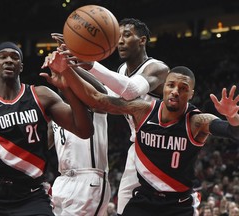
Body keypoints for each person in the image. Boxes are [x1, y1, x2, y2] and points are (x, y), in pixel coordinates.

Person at [44, 56, 239, 216]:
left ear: (191, 94)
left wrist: (232, 117)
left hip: (178, 206)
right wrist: (67, 71)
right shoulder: (142, 110)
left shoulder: (197, 121)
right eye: (171, 85)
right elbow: (97, 100)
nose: (175, 91)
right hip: (144, 201)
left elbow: (232, 132)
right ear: (163, 88)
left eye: (183, 88)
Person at [0, 41, 94, 216]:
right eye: (3, 57)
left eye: (14, 57)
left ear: (21, 66)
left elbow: (84, 130)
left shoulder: (41, 95)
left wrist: (67, 88)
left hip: (31, 196)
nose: (8, 60)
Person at [51, 17, 170, 214]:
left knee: (166, 205)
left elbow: (131, 90)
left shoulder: (157, 68)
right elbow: (106, 98)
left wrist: (89, 63)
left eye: (127, 35)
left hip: (162, 145)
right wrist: (72, 61)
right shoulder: (122, 70)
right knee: (124, 208)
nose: (120, 41)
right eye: (118, 36)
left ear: (142, 40)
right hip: (138, 147)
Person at [46, 66, 112, 215]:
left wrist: (69, 67)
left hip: (88, 179)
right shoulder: (56, 115)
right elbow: (42, 146)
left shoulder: (93, 108)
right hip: (62, 180)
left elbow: (102, 92)